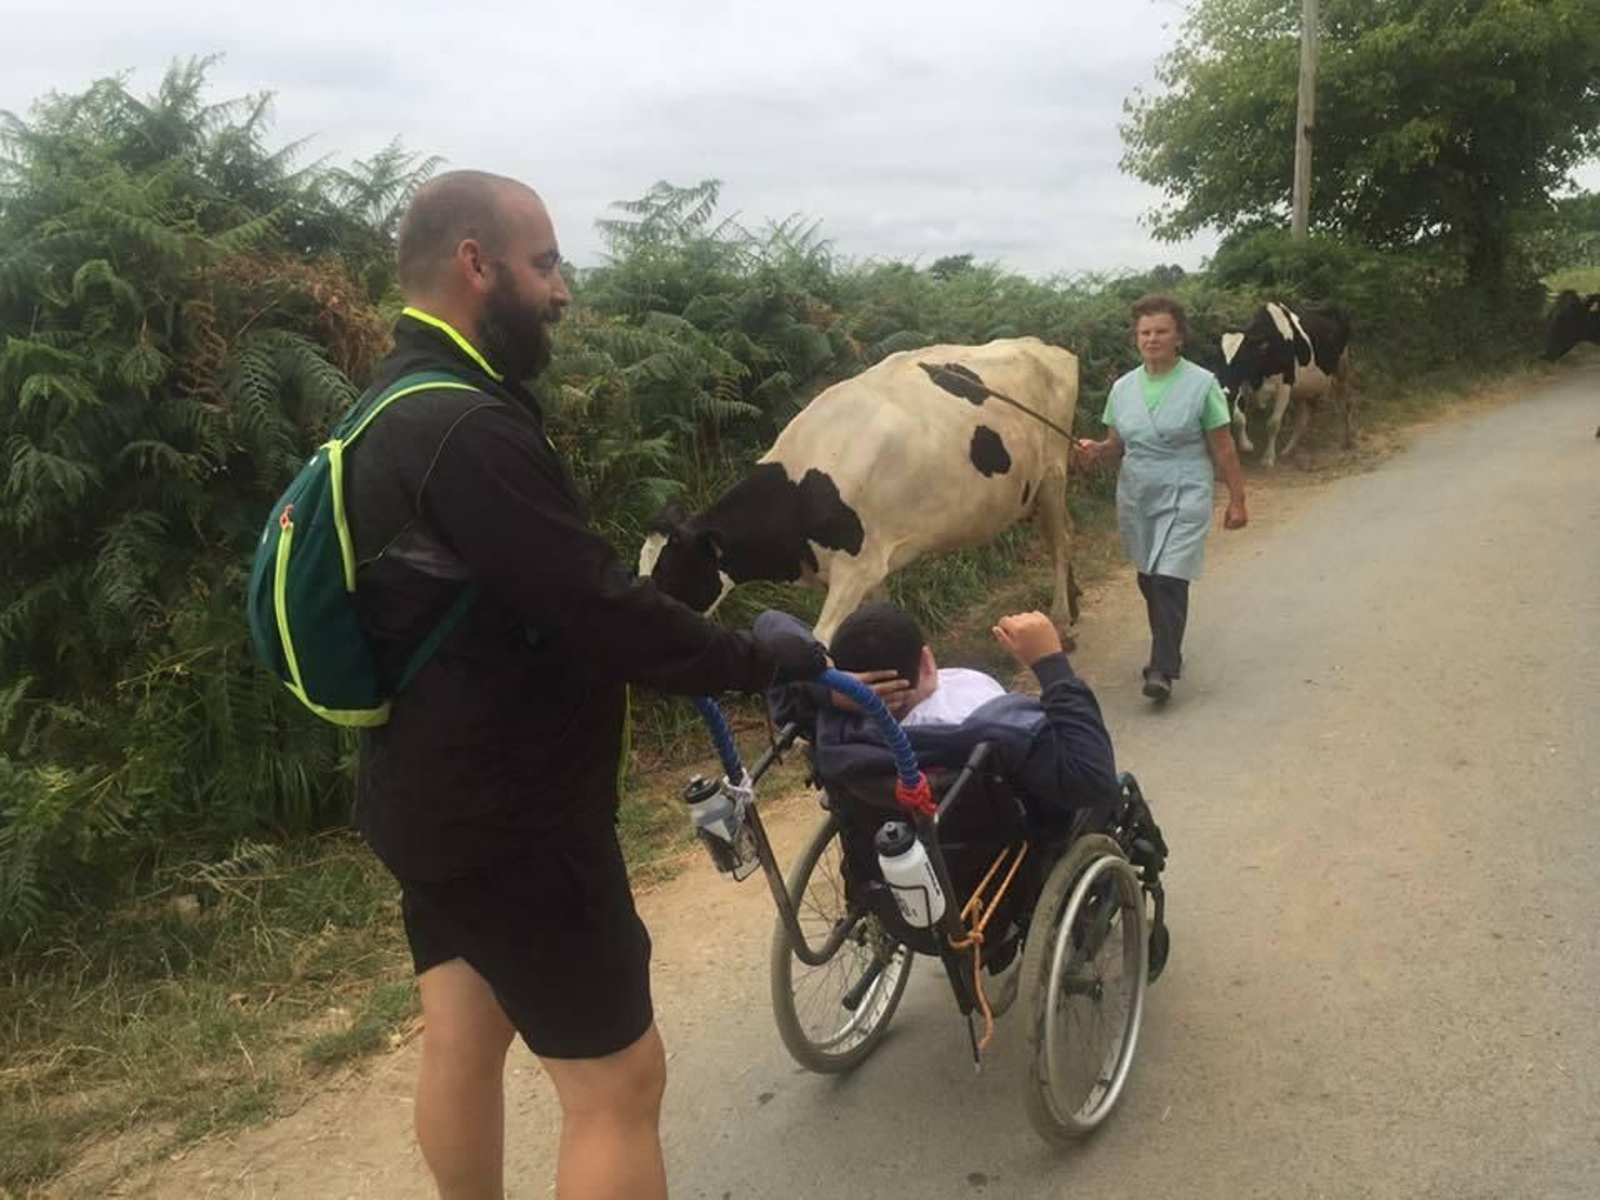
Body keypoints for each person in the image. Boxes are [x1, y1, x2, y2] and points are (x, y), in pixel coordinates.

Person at [343, 171, 822, 1200]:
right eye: (547, 264)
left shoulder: (391, 402)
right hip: (517, 821)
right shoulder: (469, 430)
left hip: (422, 800)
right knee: (617, 1085)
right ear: (478, 263)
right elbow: (598, 611)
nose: (562, 292)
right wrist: (759, 658)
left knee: (462, 1035)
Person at [764, 603, 1120, 833]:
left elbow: (769, 622)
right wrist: (1050, 663)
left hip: (900, 855)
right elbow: (1093, 778)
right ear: (926, 659)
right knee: (1116, 790)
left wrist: (829, 687)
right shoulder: (987, 725)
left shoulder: (833, 724)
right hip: (1005, 847)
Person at [1075, 294, 1247, 702]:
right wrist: (1095, 451)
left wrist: (1238, 499)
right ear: (1137, 338)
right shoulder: (1122, 388)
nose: (1152, 339)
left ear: (1179, 337)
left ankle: (1162, 668)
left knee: (1170, 576)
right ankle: (1167, 647)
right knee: (1148, 577)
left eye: (1161, 332)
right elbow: (1116, 445)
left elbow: (1222, 445)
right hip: (1137, 490)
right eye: (1145, 332)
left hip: (1187, 484)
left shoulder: (1202, 384)